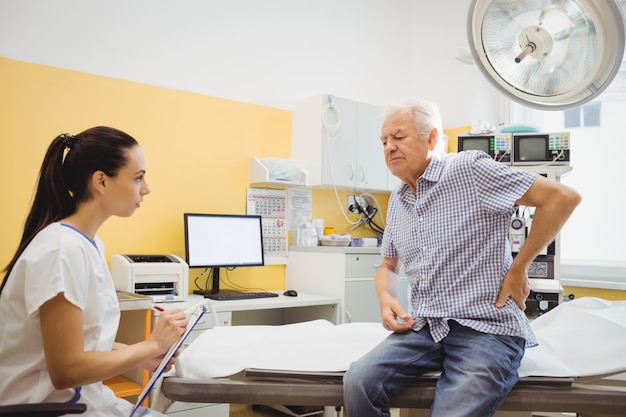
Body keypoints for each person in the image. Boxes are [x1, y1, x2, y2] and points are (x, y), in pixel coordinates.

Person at [343, 99, 581, 417]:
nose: (389, 147)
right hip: (427, 327)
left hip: (487, 329)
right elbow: (388, 265)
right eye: (384, 141)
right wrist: (385, 296)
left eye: (399, 137)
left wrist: (518, 267)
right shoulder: (398, 200)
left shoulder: (467, 170)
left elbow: (562, 198)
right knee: (358, 382)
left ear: (431, 138)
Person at [0, 126, 188, 416]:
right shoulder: (62, 251)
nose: (146, 188)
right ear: (101, 181)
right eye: (138, 177)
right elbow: (67, 370)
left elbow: (80, 342)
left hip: (84, 401)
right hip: (48, 410)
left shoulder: (88, 243)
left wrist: (138, 355)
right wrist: (150, 346)